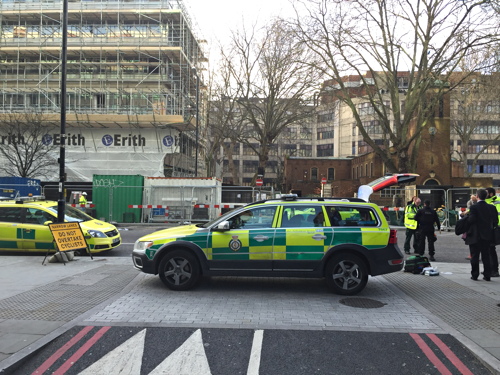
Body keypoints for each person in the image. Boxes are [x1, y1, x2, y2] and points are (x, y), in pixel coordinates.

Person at [466, 189, 498, 281]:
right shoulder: (491, 207)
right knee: (486, 256)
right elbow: (496, 221)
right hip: (487, 235)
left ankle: (475, 274)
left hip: (475, 235)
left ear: (477, 196)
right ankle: (487, 275)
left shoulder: (474, 208)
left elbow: (471, 220)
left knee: (475, 256)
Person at [485, 187, 500, 277]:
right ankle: (492, 269)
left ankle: (493, 270)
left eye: (486, 192)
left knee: (491, 249)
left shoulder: (489, 202)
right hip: (495, 227)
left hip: (495, 228)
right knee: (491, 249)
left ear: (491, 194)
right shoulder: (488, 201)